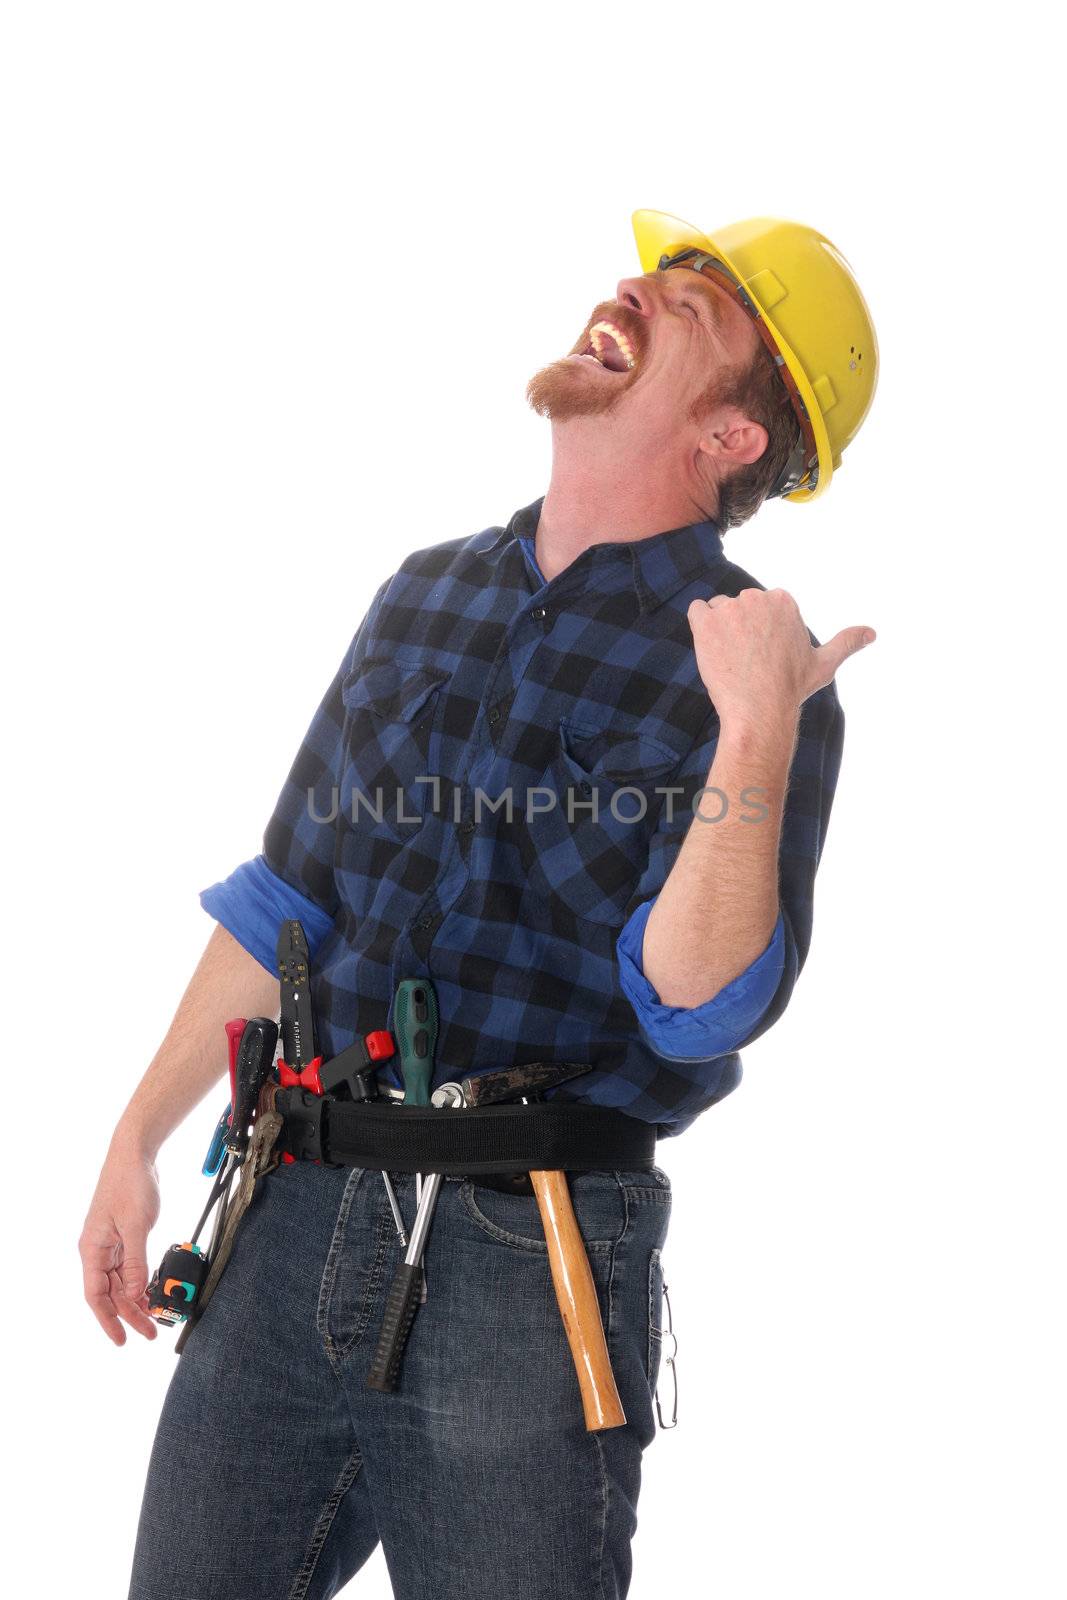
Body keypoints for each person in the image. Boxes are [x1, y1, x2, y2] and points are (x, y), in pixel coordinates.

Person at [82, 209, 878, 1600]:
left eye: (697, 303)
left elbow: (695, 1005)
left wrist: (752, 732)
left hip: (525, 1252)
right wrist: (137, 1137)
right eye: (653, 269)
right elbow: (292, 899)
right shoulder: (424, 596)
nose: (636, 284)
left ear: (734, 435)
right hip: (290, 1210)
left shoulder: (758, 667)